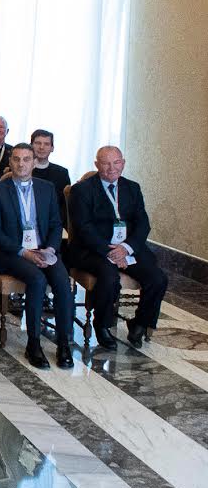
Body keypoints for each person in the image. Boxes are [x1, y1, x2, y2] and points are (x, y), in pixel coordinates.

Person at [67, 146, 168, 350]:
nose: (112, 168)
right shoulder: (82, 190)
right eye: (106, 163)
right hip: (93, 249)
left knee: (158, 278)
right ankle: (102, 325)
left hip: (127, 248)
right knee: (109, 276)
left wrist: (126, 248)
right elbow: (84, 228)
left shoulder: (132, 188)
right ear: (97, 165)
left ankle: (140, 323)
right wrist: (110, 252)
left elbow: (143, 224)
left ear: (123, 163)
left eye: (116, 162)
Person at [0, 144, 74, 369]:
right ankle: (33, 343)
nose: (21, 164)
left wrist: (50, 249)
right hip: (11, 253)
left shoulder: (47, 188)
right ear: (10, 162)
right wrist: (24, 252)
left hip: (43, 250)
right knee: (37, 279)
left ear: (34, 162)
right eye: (16, 159)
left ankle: (64, 343)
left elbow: (56, 224)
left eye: (26, 159)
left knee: (62, 281)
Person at [30, 129, 71, 229]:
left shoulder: (62, 173)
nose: (41, 147)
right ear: (31, 146)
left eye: (46, 144)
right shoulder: (22, 170)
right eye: (38, 143)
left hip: (52, 225)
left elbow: (64, 206)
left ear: (52, 148)